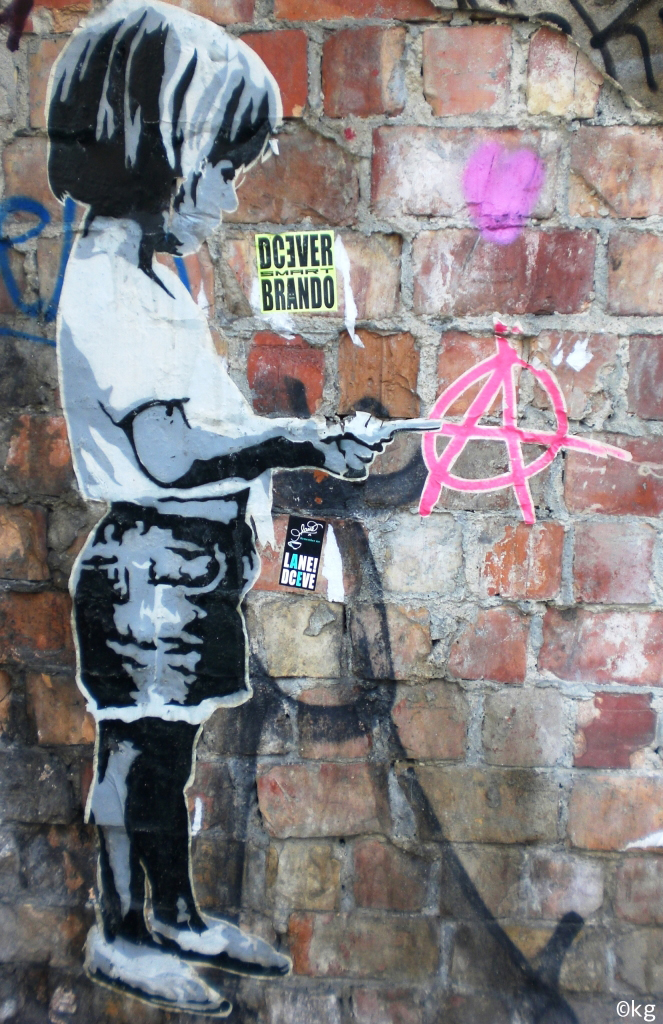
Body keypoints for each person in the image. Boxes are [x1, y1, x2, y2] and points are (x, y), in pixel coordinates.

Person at [47, 0, 402, 1014]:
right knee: (139, 747)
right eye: (225, 167)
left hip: (188, 565)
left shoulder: (157, 280)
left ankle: (173, 913)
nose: (232, 191)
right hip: (149, 563)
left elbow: (201, 433)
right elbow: (168, 454)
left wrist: (305, 447)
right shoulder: (113, 287)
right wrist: (300, 442)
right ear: (162, 152)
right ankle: (123, 932)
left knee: (170, 747)